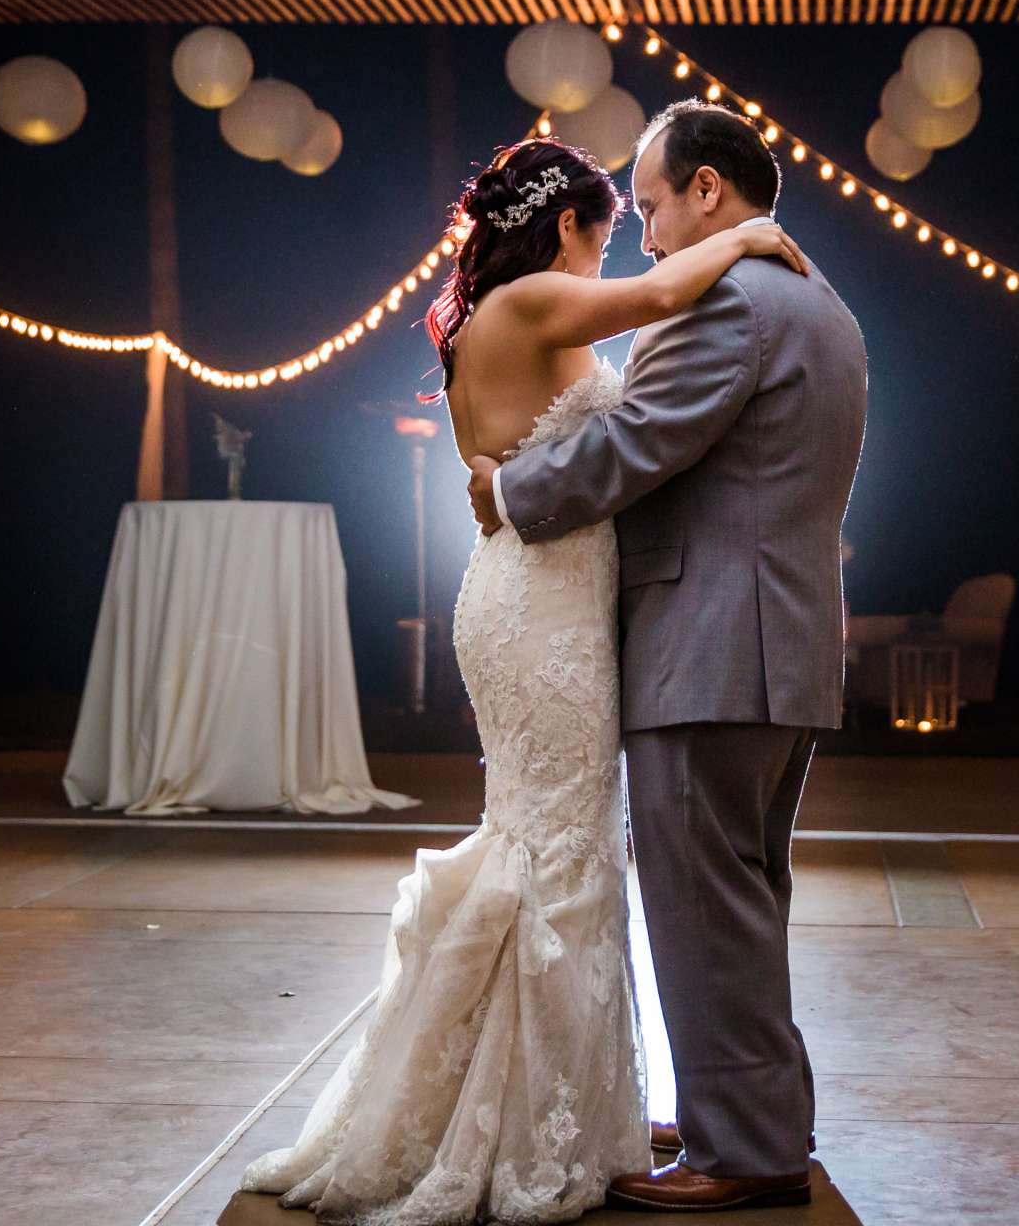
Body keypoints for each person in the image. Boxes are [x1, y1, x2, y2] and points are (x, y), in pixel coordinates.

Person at [241, 135, 813, 1222]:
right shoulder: (543, 298)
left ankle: (564, 1092)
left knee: (552, 841)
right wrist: (743, 230)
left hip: (526, 595)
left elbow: (522, 451)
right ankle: (530, 1103)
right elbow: (662, 291)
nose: (619, 251)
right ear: (566, 228)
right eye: (612, 226)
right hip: (540, 611)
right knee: (560, 848)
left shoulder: (485, 317)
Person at [475, 101, 866, 1211]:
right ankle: (741, 1118)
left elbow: (639, 443)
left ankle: (741, 1152)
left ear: (709, 190)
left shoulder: (727, 299)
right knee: (744, 896)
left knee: (706, 902)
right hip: (777, 647)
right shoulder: (818, 301)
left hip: (710, 649)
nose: (643, 231)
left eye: (649, 202)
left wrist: (509, 493)